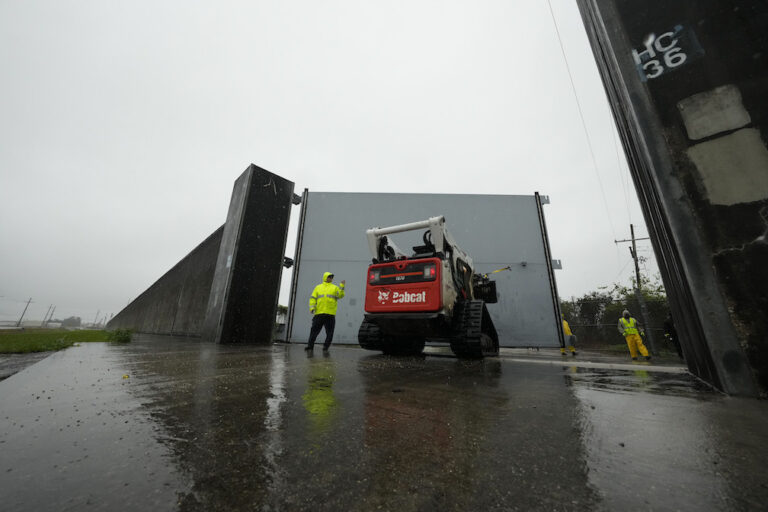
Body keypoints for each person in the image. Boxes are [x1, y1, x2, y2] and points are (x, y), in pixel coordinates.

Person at [306, 271, 345, 352]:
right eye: (329, 277)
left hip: (330, 314)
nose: (330, 278)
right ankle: (310, 346)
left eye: (331, 277)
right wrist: (311, 308)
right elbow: (313, 298)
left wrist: (341, 286)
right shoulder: (318, 287)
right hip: (319, 313)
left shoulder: (335, 287)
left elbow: (340, 296)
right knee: (314, 331)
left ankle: (326, 347)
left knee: (330, 333)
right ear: (325, 277)